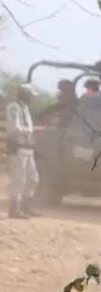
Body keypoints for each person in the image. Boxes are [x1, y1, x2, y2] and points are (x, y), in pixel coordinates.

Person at [5, 85, 40, 219]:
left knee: (33, 178)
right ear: (25, 95)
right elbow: (14, 128)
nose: (32, 99)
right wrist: (31, 131)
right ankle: (14, 209)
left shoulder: (25, 109)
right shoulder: (14, 107)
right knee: (19, 179)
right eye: (31, 95)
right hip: (18, 147)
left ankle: (26, 206)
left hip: (27, 147)